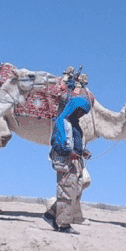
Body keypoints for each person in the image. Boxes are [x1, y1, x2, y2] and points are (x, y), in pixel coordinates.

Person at [43, 96, 92, 234]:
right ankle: (64, 225)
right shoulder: (61, 123)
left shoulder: (75, 125)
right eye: (80, 111)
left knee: (75, 192)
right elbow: (56, 143)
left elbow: (74, 144)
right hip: (65, 163)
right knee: (67, 193)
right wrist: (68, 153)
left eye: (83, 112)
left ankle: (50, 215)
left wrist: (82, 152)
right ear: (74, 108)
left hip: (76, 162)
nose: (81, 114)